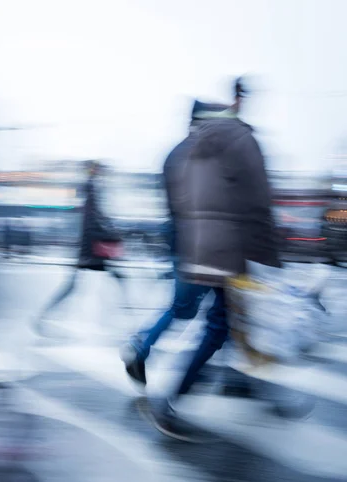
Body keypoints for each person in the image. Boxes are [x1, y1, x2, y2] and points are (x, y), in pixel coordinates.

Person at [149, 78, 280, 441]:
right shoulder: (243, 140)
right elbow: (258, 201)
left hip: (199, 247)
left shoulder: (194, 148)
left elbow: (181, 200)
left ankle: (238, 387)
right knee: (222, 325)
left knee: (223, 324)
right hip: (231, 249)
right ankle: (172, 400)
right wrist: (270, 254)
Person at [121, 101, 229, 386]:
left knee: (188, 307)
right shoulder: (204, 156)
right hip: (205, 244)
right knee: (221, 311)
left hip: (182, 239)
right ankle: (208, 373)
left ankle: (143, 347)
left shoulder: (176, 153)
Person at [34, 161, 129, 334]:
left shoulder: (88, 189)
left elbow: (95, 219)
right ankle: (43, 317)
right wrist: (110, 234)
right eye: (98, 170)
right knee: (78, 285)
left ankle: (124, 310)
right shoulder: (90, 190)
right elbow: (94, 221)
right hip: (91, 248)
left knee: (113, 277)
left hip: (90, 247)